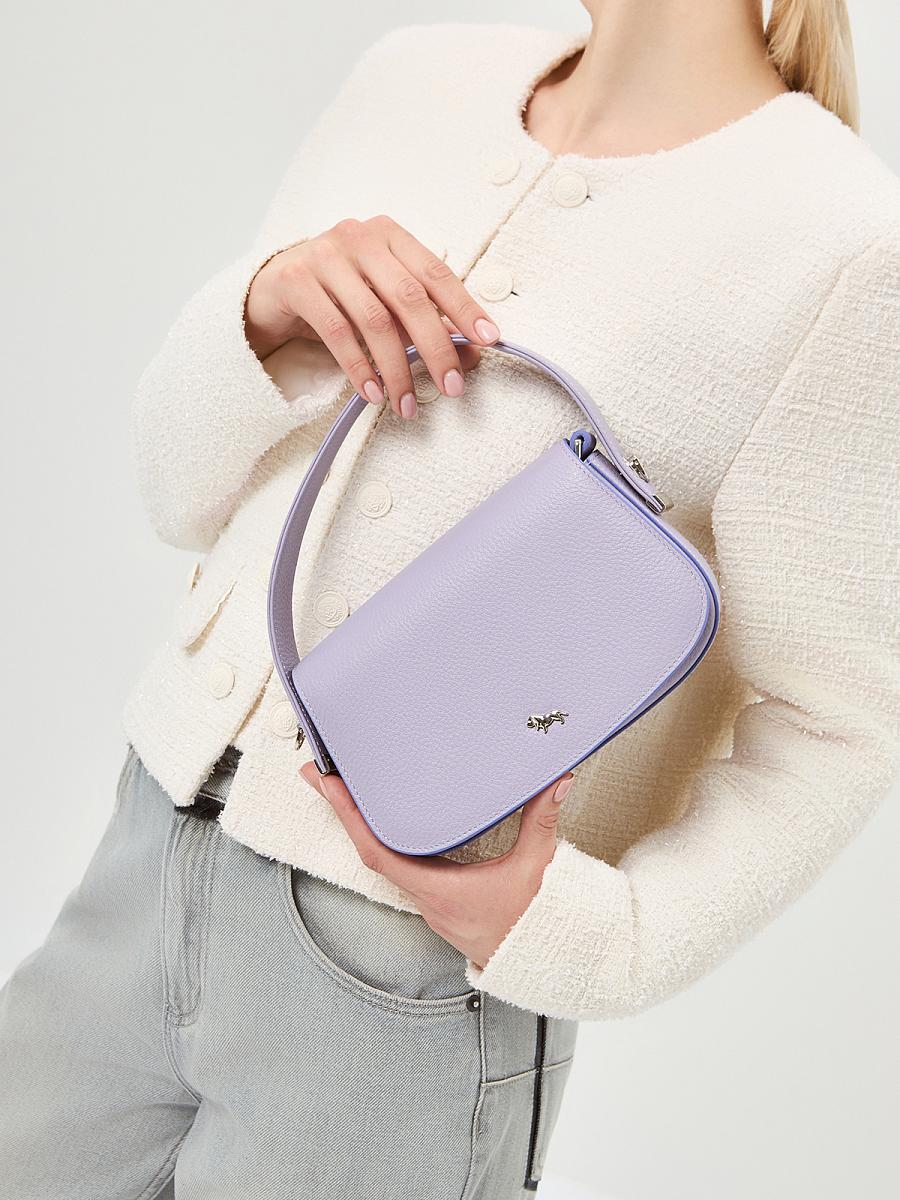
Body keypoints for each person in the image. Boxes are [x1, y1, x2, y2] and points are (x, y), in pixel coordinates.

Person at [2, 2, 898, 1197]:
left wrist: (603, 938)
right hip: (141, 853)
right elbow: (175, 490)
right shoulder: (414, 76)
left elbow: (839, 721)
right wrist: (263, 313)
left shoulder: (843, 242)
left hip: (399, 975)